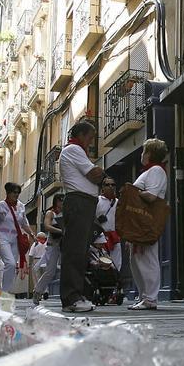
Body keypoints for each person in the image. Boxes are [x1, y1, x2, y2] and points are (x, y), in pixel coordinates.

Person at [54, 122, 105, 313]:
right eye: (90, 138)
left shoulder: (76, 151)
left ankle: (76, 294)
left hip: (83, 203)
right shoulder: (74, 149)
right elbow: (94, 174)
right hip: (79, 202)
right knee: (75, 250)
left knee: (80, 251)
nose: (91, 142)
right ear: (81, 135)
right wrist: (98, 172)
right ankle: (71, 298)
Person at [127, 139, 170, 310]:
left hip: (147, 221)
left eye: (144, 151)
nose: (141, 155)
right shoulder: (151, 171)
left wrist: (132, 191)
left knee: (147, 258)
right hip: (140, 221)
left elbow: (151, 196)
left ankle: (150, 298)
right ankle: (144, 296)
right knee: (137, 259)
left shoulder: (156, 170)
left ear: (150, 154)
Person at [0, 182, 36, 296]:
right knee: (10, 263)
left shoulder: (21, 206)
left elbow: (24, 223)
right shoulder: (1, 205)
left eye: (18, 193)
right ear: (8, 193)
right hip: (3, 237)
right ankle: (4, 293)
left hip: (15, 238)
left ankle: (7, 290)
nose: (16, 195)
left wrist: (32, 234)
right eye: (14, 192)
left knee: (13, 266)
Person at [34, 194, 65, 304]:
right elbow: (47, 226)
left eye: (64, 200)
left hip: (65, 245)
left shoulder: (66, 213)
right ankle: (38, 291)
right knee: (50, 271)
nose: (62, 202)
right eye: (60, 200)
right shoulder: (50, 213)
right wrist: (60, 231)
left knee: (67, 271)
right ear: (56, 201)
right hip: (53, 245)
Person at [97, 178, 122, 273]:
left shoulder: (118, 202)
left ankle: (116, 283)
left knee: (117, 263)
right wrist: (98, 221)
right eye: (107, 185)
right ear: (102, 187)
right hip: (100, 238)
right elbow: (91, 218)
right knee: (103, 264)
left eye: (113, 184)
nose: (111, 186)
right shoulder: (97, 200)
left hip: (115, 237)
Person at [27, 232, 49, 298]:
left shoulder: (35, 244)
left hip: (36, 261)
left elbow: (31, 255)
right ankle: (45, 291)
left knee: (36, 278)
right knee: (44, 278)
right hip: (45, 261)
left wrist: (30, 264)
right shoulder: (47, 244)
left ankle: (38, 293)